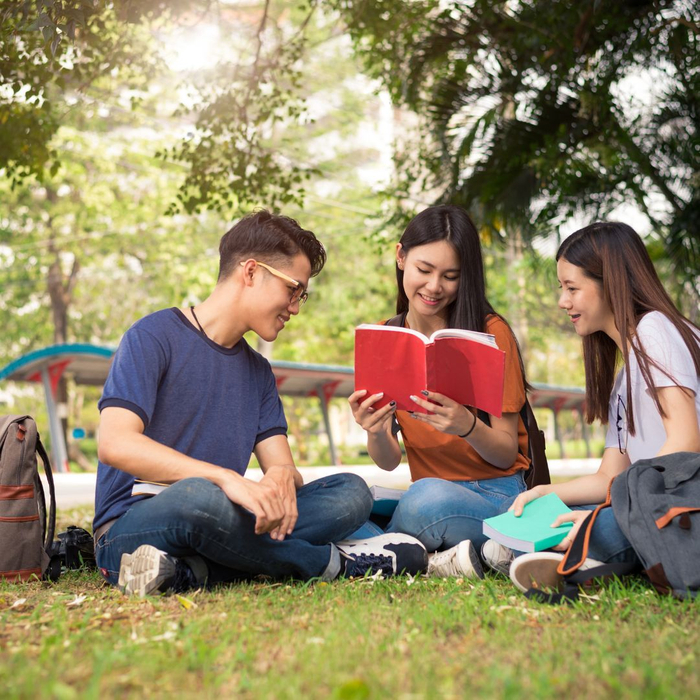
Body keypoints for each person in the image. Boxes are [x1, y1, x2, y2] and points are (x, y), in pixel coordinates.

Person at [93, 210, 427, 596]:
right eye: (293, 290)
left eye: (303, 295)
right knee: (200, 497)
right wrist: (227, 479)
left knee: (350, 493)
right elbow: (115, 443)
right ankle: (334, 563)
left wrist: (283, 476)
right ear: (251, 272)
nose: (297, 307)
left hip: (223, 518)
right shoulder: (153, 336)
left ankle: (193, 571)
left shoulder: (258, 372)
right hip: (134, 524)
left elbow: (282, 467)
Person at [492, 221, 700, 592]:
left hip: (681, 504)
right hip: (652, 504)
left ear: (612, 283)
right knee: (560, 520)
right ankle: (582, 550)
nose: (562, 301)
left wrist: (610, 511)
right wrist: (547, 494)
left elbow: (685, 445)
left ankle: (581, 553)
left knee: (595, 525)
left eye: (572, 288)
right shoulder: (625, 374)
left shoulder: (655, 331)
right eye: (562, 288)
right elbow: (609, 478)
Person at [349, 205, 532, 579]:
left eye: (450, 276)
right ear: (401, 257)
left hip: (495, 495)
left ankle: (383, 550)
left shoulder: (490, 333)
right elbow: (387, 461)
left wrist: (466, 425)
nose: (434, 287)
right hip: (431, 495)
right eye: (424, 270)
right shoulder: (388, 337)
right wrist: (375, 430)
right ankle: (443, 558)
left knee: (422, 500)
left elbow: (504, 453)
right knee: (349, 500)